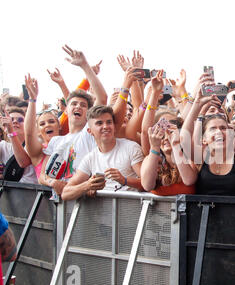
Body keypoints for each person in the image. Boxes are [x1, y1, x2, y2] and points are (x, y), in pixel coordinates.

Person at [40, 45, 135, 194]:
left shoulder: (89, 132)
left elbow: (102, 97)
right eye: (74, 104)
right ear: (66, 109)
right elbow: (42, 175)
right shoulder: (55, 141)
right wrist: (52, 182)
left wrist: (84, 66)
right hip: (60, 204)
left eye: (83, 105)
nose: (78, 107)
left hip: (86, 203)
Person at [61, 105, 144, 200]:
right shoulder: (90, 158)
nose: (105, 127)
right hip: (102, 214)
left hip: (130, 213)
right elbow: (65, 193)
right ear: (90, 131)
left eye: (109, 122)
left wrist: (124, 180)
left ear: (114, 127)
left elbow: (148, 184)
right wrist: (87, 186)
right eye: (99, 123)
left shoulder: (131, 147)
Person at [140, 110, 196, 196]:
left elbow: (188, 180)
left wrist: (175, 144)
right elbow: (147, 185)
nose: (166, 137)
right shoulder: (150, 159)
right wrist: (155, 147)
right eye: (161, 133)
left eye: (171, 131)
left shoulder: (190, 157)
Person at [23, 75, 63, 190]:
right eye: (42, 124)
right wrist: (32, 100)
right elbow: (29, 133)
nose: (48, 125)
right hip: (46, 204)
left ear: (59, 126)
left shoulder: (69, 144)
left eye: (51, 121)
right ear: (39, 131)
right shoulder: (39, 152)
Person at [0, 107, 38, 184]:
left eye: (20, 120)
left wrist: (11, 132)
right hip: (9, 192)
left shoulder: (35, 144)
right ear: (4, 127)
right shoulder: (3, 146)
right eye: (11, 120)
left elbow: (23, 163)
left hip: (33, 192)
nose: (15, 122)